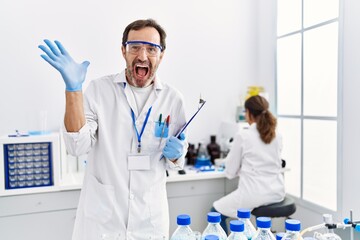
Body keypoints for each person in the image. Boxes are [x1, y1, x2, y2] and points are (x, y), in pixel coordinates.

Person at [38, 19, 188, 240]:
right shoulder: (99, 90)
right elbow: (76, 146)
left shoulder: (173, 99)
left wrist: (178, 155)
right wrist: (73, 90)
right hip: (102, 225)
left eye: (151, 49)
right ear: (123, 51)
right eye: (135, 47)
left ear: (161, 55)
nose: (143, 56)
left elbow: (177, 161)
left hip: (150, 224)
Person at [212, 95, 285, 233]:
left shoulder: (243, 136)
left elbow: (230, 173)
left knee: (215, 212)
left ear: (249, 113)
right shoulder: (277, 135)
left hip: (253, 194)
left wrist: (238, 168)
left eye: (245, 112)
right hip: (276, 192)